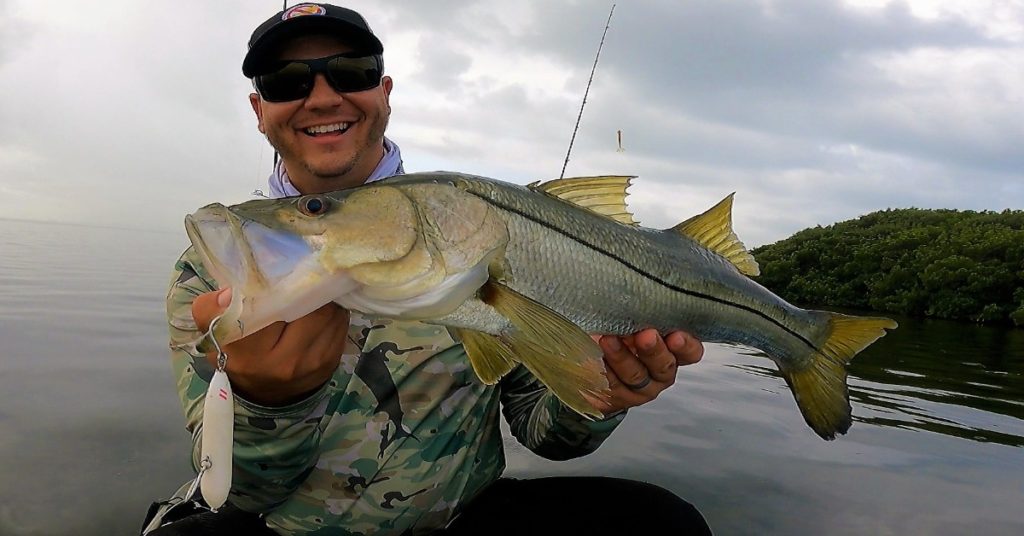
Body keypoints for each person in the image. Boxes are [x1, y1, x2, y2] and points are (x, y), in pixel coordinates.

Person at [148, 4, 711, 535]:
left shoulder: (472, 229)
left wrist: (606, 392)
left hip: (462, 521)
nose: (322, 98)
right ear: (258, 110)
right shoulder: (211, 272)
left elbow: (546, 435)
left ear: (384, 93)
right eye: (286, 82)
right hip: (283, 531)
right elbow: (239, 493)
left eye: (351, 71)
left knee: (663, 523)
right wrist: (269, 402)